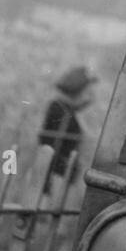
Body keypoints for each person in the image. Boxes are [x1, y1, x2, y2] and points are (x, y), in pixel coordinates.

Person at [39, 65, 97, 196]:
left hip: (63, 176)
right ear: (77, 91)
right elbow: (52, 147)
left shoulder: (68, 111)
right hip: (57, 177)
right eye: (87, 93)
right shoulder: (62, 112)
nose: (90, 99)